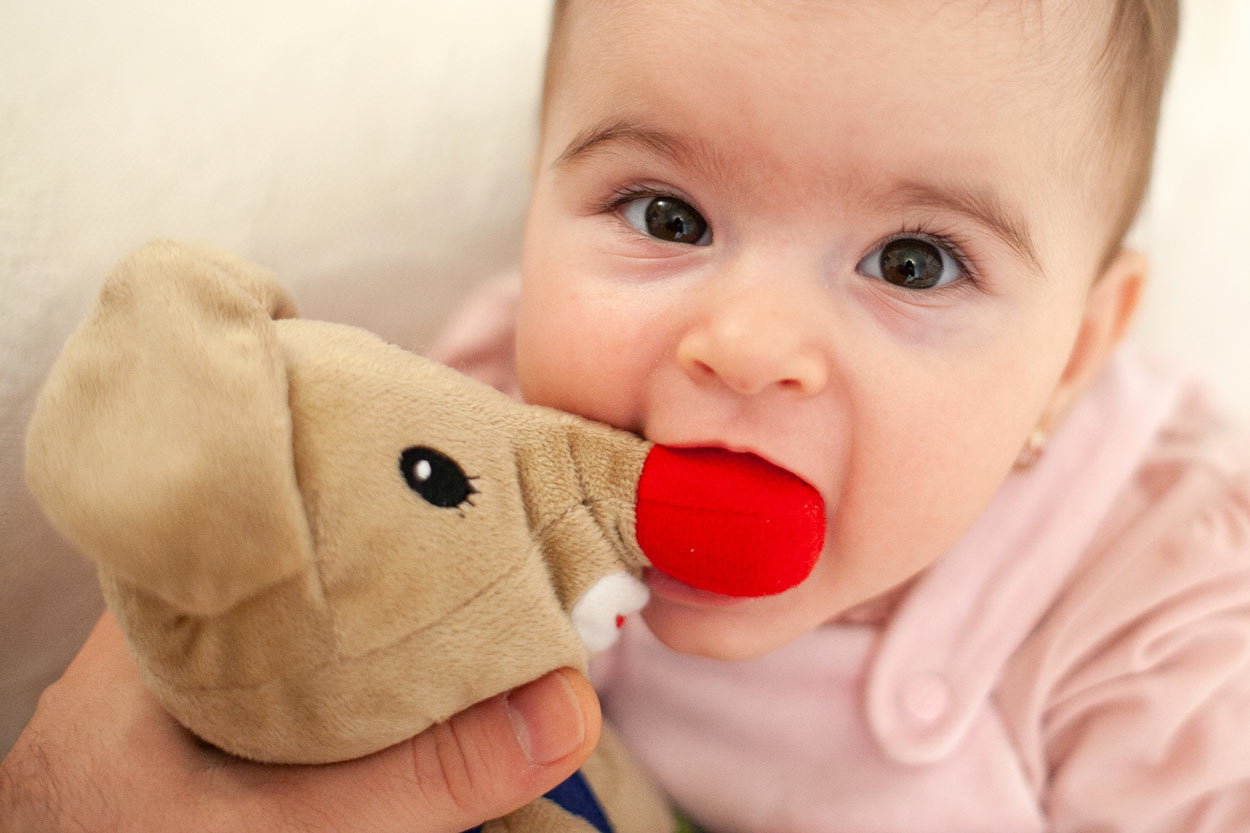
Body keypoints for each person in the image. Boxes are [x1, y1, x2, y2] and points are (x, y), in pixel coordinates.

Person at [5, 0, 1248, 830]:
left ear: (1073, 354)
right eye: (664, 216)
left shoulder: (1159, 612)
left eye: (913, 262)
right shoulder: (474, 432)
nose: (748, 346)